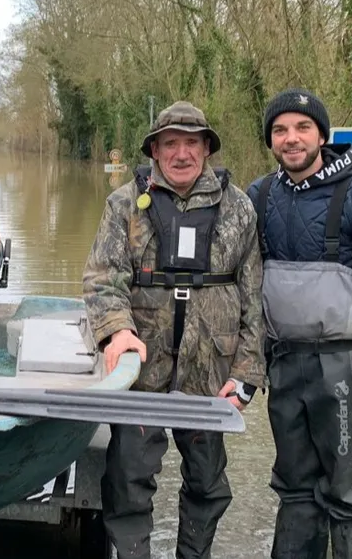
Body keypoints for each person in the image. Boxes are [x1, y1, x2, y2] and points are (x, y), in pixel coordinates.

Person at [81, 102, 266, 559]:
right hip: (140, 370)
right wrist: (116, 330)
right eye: (170, 144)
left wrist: (246, 372)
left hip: (211, 375)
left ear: (206, 149)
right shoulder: (124, 203)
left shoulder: (239, 207)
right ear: (155, 150)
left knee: (207, 483)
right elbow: (103, 277)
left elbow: (255, 298)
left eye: (191, 143)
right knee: (127, 480)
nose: (181, 153)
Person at [248, 88, 352, 558]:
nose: (291, 138)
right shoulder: (258, 196)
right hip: (283, 365)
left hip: (346, 370)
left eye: (303, 127)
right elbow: (241, 288)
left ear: (322, 134)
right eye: (280, 130)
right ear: (270, 140)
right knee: (295, 487)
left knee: (348, 492)